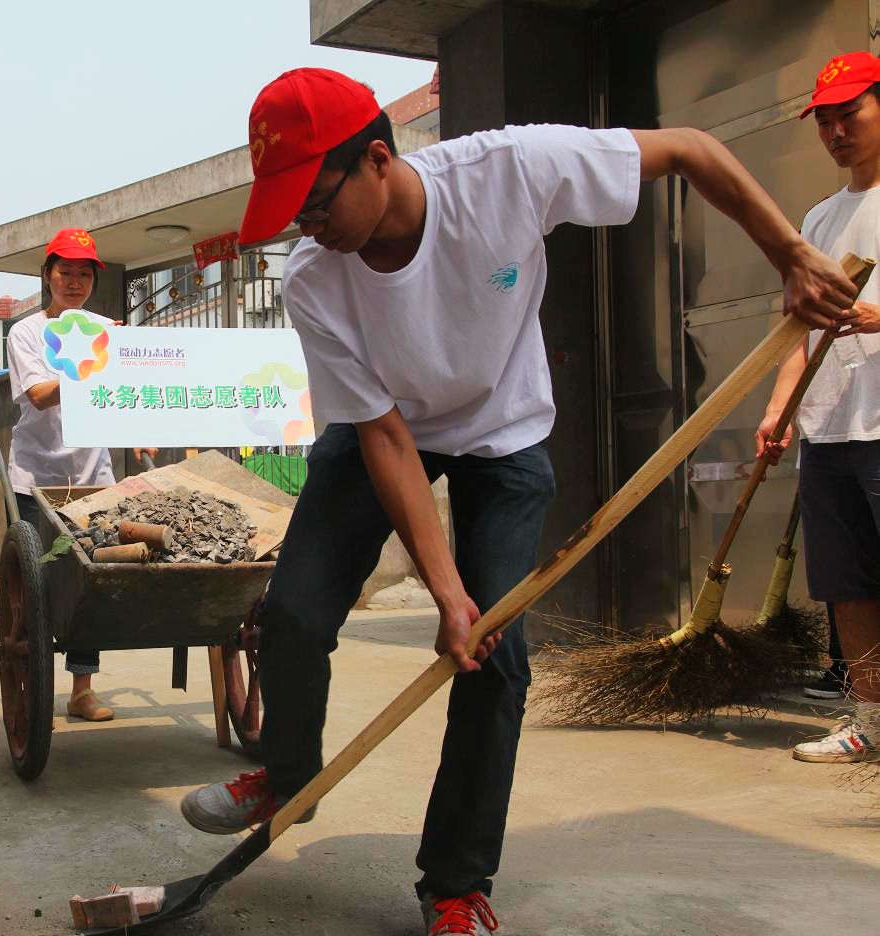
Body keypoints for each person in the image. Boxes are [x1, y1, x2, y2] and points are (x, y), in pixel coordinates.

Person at [179, 67, 858, 936]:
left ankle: (455, 884)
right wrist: (443, 590)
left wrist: (791, 255)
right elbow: (385, 437)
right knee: (294, 612)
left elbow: (692, 149)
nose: (306, 229)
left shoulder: (505, 171)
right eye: (292, 216)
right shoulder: (315, 277)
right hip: (387, 428)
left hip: (503, 431)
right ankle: (289, 776)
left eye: (314, 205)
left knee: (493, 660)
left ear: (377, 160)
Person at [756, 51, 880, 764]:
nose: (836, 131)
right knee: (848, 585)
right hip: (830, 429)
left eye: (850, 113)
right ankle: (870, 721)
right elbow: (796, 332)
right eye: (824, 120)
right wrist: (780, 408)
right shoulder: (819, 220)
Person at [5, 227, 157, 721]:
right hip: (36, 477)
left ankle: (82, 689)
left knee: (92, 580)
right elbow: (38, 396)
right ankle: (34, 684)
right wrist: (94, 362)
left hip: (93, 476)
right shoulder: (26, 332)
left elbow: (129, 390)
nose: (74, 282)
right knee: (40, 582)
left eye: (83, 274)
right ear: (47, 275)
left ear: (93, 281)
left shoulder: (105, 330)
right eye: (65, 271)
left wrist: (140, 428)